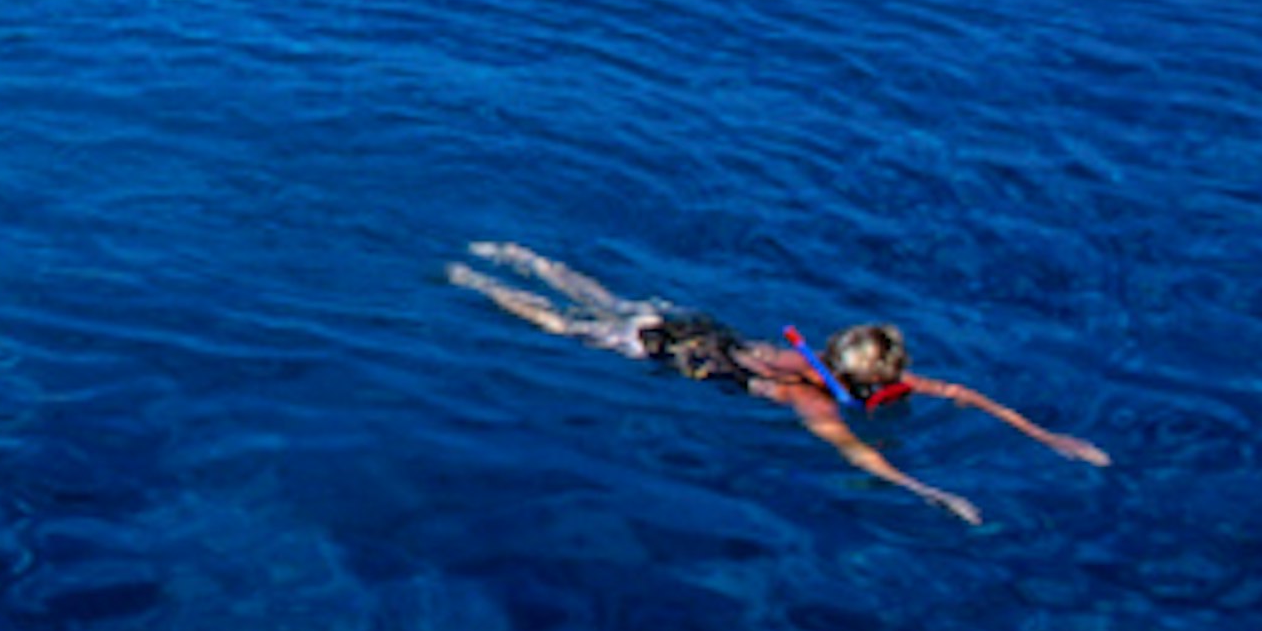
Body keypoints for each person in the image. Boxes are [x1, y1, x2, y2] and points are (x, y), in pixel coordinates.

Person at [450, 239, 1109, 525]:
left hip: (689, 324)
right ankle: (475, 282)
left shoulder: (812, 368)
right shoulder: (805, 396)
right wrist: (928, 490)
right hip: (664, 350)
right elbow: (860, 454)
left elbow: (966, 395)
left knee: (614, 298)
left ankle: (521, 258)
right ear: (878, 376)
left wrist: (1046, 435)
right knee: (565, 328)